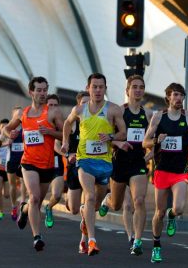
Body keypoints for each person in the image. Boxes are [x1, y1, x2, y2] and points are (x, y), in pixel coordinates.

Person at [61, 73, 126, 256]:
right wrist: (65, 141)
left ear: (105, 88)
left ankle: (85, 228)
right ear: (88, 88)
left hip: (104, 162)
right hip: (85, 160)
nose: (97, 90)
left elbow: (123, 133)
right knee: (89, 197)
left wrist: (111, 136)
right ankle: (92, 241)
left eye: (101, 87)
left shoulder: (113, 109)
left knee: (95, 205)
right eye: (94, 87)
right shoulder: (79, 109)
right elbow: (67, 123)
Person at [4, 76, 64, 252]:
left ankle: (24, 210)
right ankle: (37, 237)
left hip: (47, 164)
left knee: (35, 203)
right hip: (28, 162)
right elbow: (7, 128)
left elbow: (64, 134)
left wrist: (50, 132)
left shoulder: (52, 113)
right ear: (31, 92)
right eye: (39, 90)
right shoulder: (22, 114)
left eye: (45, 90)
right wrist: (9, 134)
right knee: (35, 197)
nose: (42, 93)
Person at [142, 82, 188, 264]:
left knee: (179, 208)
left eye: (181, 95)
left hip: (181, 170)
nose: (178, 98)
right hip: (162, 169)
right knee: (159, 212)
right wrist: (156, 140)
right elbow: (145, 142)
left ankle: (173, 215)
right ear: (168, 97)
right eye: (175, 95)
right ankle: (156, 246)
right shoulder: (159, 117)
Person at [98, 75, 153, 256]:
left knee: (139, 201)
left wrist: (149, 156)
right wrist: (118, 143)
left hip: (138, 163)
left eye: (141, 87)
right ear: (127, 90)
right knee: (116, 205)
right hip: (119, 162)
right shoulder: (119, 112)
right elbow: (105, 138)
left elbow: (152, 141)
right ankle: (107, 200)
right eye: (134, 87)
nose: (138, 90)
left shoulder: (148, 115)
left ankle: (137, 241)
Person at [64, 90, 90, 254]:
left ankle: (84, 241)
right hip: (74, 168)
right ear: (78, 105)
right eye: (84, 103)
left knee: (89, 202)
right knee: (73, 209)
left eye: (89, 102)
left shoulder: (98, 122)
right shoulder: (73, 123)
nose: (87, 106)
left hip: (89, 167)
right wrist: (68, 154)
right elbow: (61, 143)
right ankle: (80, 208)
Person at [44, 94, 65, 229]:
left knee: (57, 195)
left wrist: (66, 154)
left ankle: (49, 207)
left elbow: (57, 144)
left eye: (55, 105)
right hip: (40, 163)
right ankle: (25, 210)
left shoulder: (61, 123)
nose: (52, 107)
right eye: (50, 105)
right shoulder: (39, 121)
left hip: (56, 162)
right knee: (35, 198)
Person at [4, 106, 27, 221]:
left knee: (24, 182)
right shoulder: (8, 129)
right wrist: (7, 140)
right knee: (12, 185)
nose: (19, 117)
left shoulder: (25, 128)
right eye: (17, 115)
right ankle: (14, 206)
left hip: (24, 159)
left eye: (21, 114)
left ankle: (22, 202)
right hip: (11, 160)